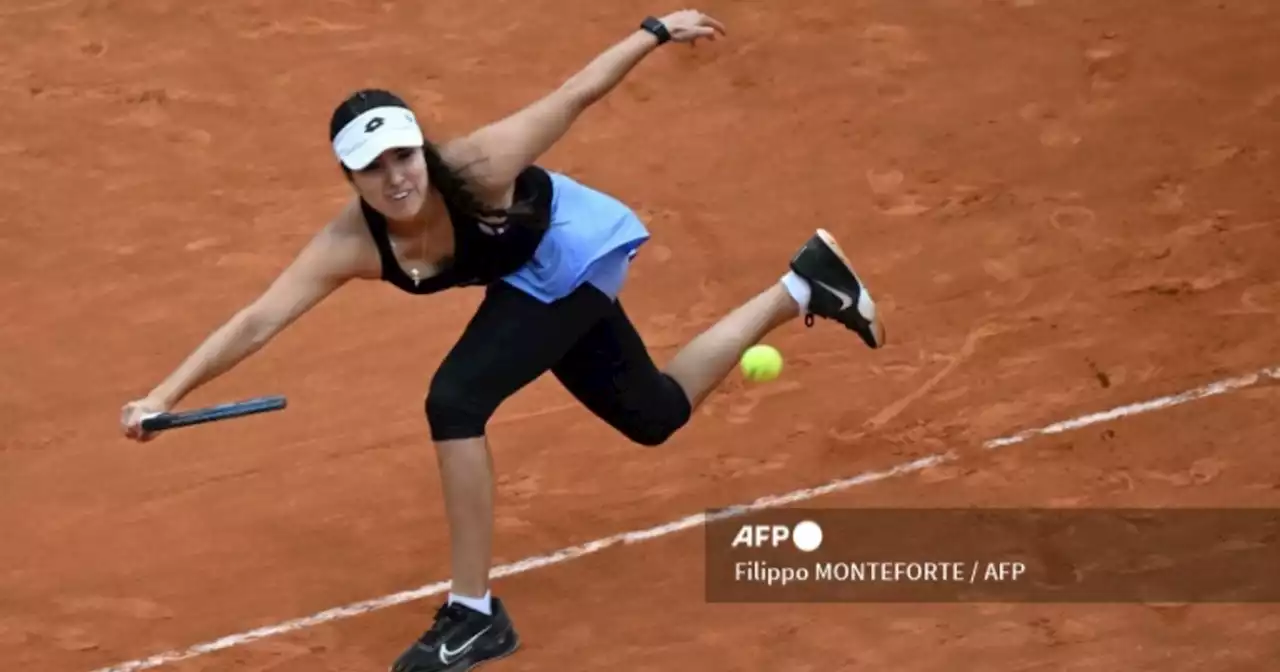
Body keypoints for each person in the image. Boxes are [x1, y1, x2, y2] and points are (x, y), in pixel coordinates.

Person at [120, 9, 885, 672]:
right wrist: (163, 394)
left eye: (402, 155)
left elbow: (573, 95)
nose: (394, 178)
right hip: (531, 283)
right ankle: (802, 287)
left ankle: (474, 611)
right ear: (348, 179)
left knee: (454, 398)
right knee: (653, 415)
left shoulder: (479, 165)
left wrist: (654, 32)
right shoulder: (352, 243)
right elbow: (258, 317)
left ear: (422, 147)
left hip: (572, 246)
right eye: (371, 168)